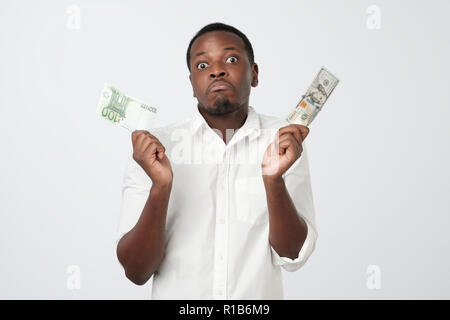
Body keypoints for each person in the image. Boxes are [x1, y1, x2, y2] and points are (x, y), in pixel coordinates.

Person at [116, 22, 318, 299]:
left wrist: (274, 181)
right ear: (192, 84)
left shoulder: (283, 142)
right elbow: (136, 271)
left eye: (232, 59)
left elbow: (292, 252)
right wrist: (160, 187)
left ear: (254, 73)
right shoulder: (153, 149)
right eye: (202, 65)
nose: (217, 70)